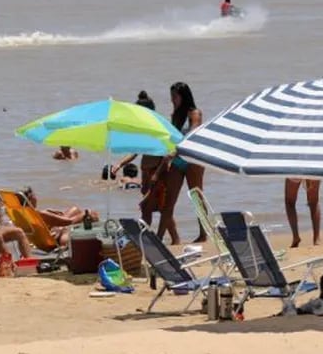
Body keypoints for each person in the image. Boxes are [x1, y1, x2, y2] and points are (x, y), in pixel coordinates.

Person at [152, 82, 207, 244]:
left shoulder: (194, 113)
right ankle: (159, 237)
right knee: (169, 199)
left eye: (175, 97)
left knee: (196, 196)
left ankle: (203, 233)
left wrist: (175, 152)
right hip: (177, 160)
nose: (172, 100)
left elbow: (192, 132)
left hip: (192, 159)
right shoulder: (175, 115)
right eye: (171, 97)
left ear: (184, 96)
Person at [110, 91, 164, 226]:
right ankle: (150, 236)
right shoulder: (144, 129)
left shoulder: (158, 128)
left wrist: (157, 174)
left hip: (154, 172)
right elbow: (135, 151)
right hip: (146, 173)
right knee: (148, 209)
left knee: (156, 208)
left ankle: (169, 238)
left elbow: (166, 153)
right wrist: (119, 164)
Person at [20, 186, 98, 247]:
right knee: (91, 213)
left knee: (75, 209)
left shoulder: (22, 214)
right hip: (54, 239)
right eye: (34, 195)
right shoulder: (40, 214)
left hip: (44, 238)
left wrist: (50, 214)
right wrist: (84, 214)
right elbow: (69, 222)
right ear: (30, 198)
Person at [285, 178, 321, 247]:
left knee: (290, 202)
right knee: (314, 203)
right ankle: (317, 239)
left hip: (295, 169)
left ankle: (296, 237)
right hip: (312, 168)